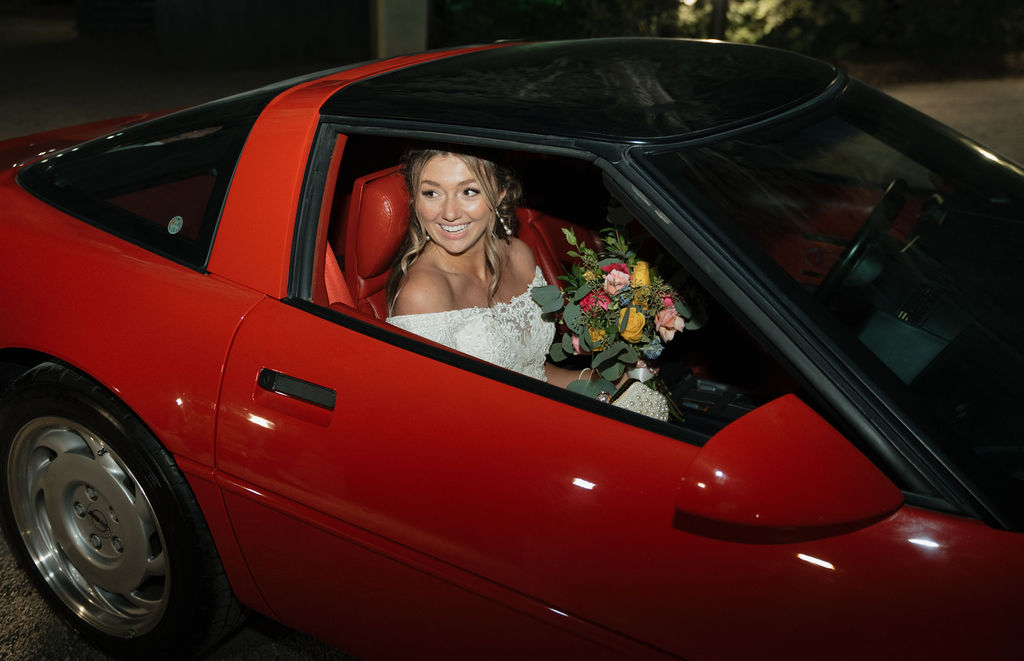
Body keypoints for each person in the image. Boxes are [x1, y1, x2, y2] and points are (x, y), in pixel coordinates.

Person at [385, 147, 583, 387]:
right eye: (431, 193)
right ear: (415, 199)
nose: (449, 213)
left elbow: (533, 371)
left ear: (500, 193)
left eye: (468, 191)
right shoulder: (423, 294)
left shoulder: (518, 256)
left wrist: (599, 384)